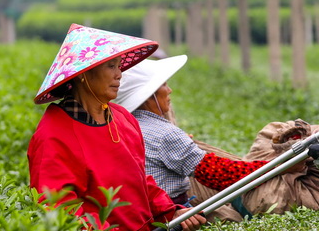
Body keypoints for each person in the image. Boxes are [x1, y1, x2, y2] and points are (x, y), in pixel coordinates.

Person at [28, 24, 206, 231]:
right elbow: (56, 205)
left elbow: (140, 179)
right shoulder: (53, 134)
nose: (119, 74)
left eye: (119, 66)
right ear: (84, 73)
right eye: (111, 66)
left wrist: (171, 211)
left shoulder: (122, 117)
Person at [113, 54, 270, 215]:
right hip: (168, 213)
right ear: (150, 94)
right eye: (164, 85)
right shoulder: (165, 134)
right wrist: (273, 168)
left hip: (138, 211)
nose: (169, 90)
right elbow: (221, 174)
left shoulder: (122, 125)